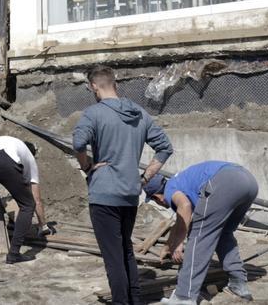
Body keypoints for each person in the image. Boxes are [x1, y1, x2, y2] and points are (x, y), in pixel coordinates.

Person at [73, 65, 173, 305]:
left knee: (113, 257)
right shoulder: (139, 113)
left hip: (104, 193)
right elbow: (165, 148)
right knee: (126, 249)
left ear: (93, 87)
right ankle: (135, 300)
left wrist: (87, 166)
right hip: (130, 193)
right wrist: (145, 178)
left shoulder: (93, 113)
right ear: (115, 84)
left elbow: (78, 143)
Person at [143, 162, 258, 304]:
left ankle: (184, 296)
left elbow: (185, 207)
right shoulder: (180, 181)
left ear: (156, 197)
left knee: (199, 237)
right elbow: (181, 222)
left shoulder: (170, 191)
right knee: (223, 233)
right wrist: (167, 247)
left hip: (224, 182)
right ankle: (238, 284)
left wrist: (178, 243)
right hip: (248, 182)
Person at [0, 135, 47, 264]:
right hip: (4, 160)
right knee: (27, 205)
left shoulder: (7, 142)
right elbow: (36, 198)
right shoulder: (29, 157)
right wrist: (42, 224)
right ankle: (14, 254)